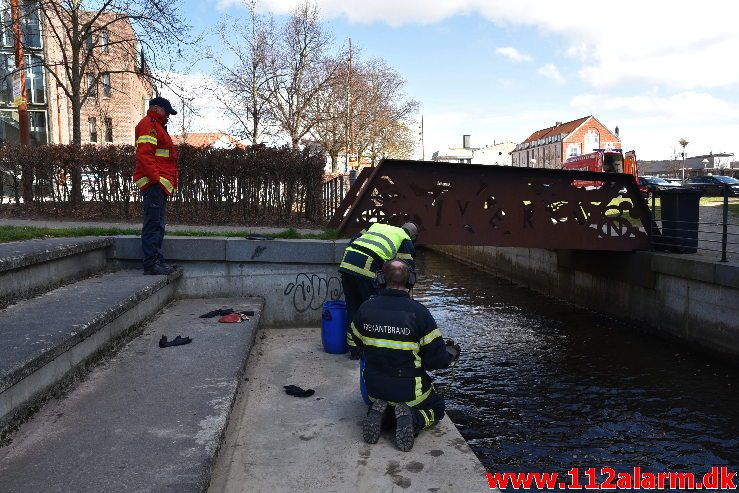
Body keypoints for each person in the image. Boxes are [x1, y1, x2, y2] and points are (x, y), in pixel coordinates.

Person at [349, 259, 461, 452]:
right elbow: (436, 361)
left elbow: (353, 342)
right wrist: (451, 353)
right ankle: (413, 418)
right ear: (411, 281)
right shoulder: (419, 313)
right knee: (437, 408)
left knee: (386, 400)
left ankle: (382, 415)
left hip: (374, 387)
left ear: (381, 279)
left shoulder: (365, 308)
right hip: (409, 391)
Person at [339, 221, 419, 358]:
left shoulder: (376, 226)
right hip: (366, 269)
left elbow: (353, 240)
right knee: (373, 311)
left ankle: (353, 350)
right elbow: (407, 271)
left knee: (353, 307)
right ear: (413, 236)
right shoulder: (405, 239)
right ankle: (371, 350)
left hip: (346, 264)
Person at [132, 96, 179, 275]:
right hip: (154, 185)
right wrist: (156, 180)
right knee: (154, 223)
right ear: (158, 109)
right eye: (167, 112)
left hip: (157, 184)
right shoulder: (150, 125)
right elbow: (145, 156)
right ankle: (152, 263)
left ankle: (156, 261)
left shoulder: (155, 126)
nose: (168, 116)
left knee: (156, 223)